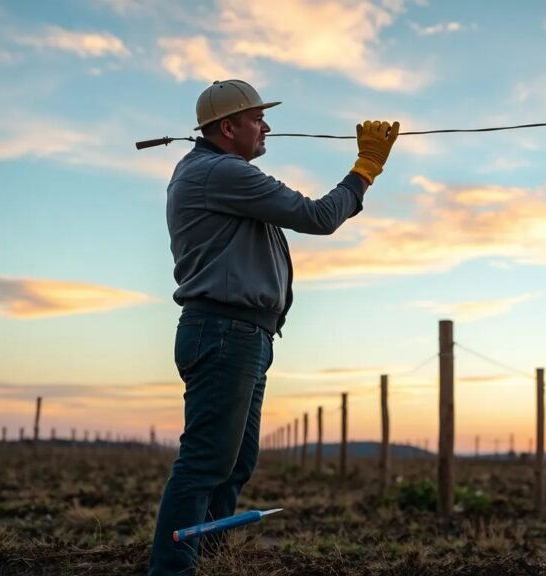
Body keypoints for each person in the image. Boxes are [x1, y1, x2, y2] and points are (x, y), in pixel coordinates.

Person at [149, 79, 399, 575]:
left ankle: (209, 561)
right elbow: (318, 216)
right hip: (225, 331)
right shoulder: (222, 172)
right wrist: (365, 168)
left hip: (241, 334)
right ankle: (172, 570)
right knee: (206, 462)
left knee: (234, 464)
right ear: (228, 128)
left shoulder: (213, 173)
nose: (266, 127)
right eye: (257, 118)